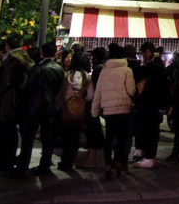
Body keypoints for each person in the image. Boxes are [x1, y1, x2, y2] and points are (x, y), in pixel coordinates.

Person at [0, 34, 33, 174]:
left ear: (7, 46)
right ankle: (8, 160)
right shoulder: (25, 57)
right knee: (10, 131)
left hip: (8, 99)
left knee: (4, 131)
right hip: (18, 100)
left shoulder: (12, 59)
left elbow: (6, 81)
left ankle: (1, 161)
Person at [15, 42, 64, 176]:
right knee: (48, 137)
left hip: (35, 106)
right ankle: (45, 165)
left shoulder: (38, 68)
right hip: (51, 107)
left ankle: (23, 166)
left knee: (28, 138)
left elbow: (29, 87)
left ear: (42, 53)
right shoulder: (59, 69)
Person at [92, 42, 135, 179]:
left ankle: (107, 164)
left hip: (108, 111)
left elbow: (97, 92)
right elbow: (131, 91)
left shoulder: (104, 71)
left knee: (109, 138)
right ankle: (118, 162)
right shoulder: (127, 70)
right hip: (124, 109)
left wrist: (95, 110)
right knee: (121, 138)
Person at [56, 48, 93, 171]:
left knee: (66, 136)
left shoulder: (66, 75)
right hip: (80, 111)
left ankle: (64, 162)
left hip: (66, 110)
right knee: (75, 137)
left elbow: (62, 94)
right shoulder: (87, 78)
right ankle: (71, 161)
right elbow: (90, 96)